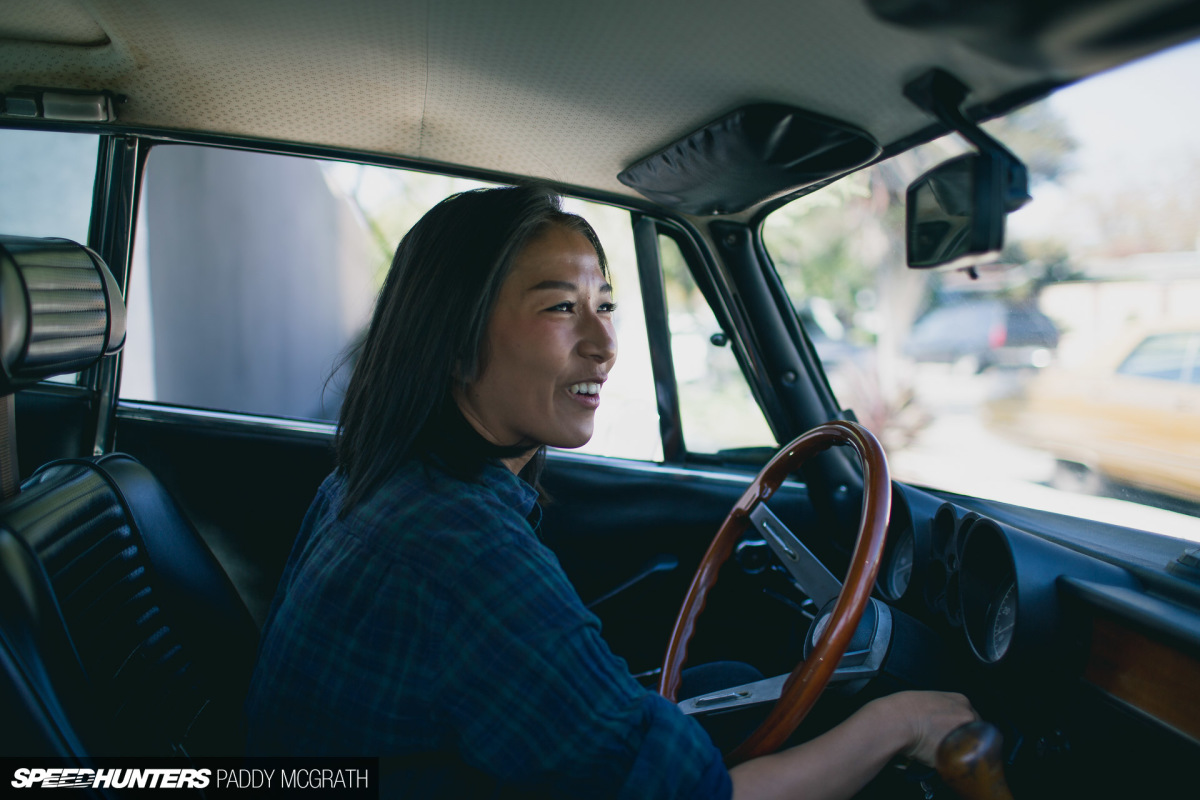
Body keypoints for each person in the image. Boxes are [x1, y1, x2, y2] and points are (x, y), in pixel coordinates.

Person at [244, 185, 976, 798]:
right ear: (456, 342)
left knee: (726, 681)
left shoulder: (375, 481)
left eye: (605, 305)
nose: (604, 344)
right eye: (561, 308)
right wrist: (899, 725)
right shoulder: (464, 549)